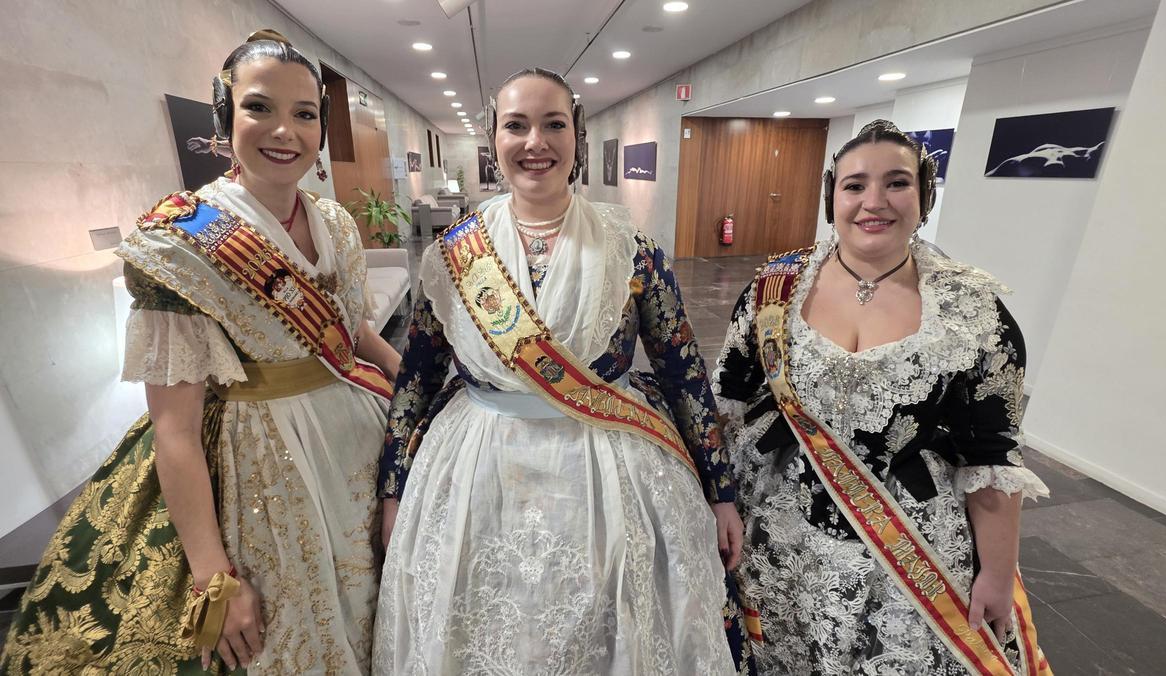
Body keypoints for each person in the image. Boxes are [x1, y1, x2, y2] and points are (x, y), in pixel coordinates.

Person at [1, 30, 398, 674]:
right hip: (261, 459)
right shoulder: (179, 243)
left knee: (377, 599)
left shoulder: (339, 224)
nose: (284, 131)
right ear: (225, 114)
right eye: (259, 107)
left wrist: (417, 389)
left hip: (357, 434)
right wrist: (214, 577)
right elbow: (175, 431)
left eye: (304, 114)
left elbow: (354, 335)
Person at [373, 68, 754, 675]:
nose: (535, 142)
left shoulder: (631, 247)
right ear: (493, 140)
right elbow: (416, 379)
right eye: (516, 125)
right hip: (477, 469)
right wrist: (394, 490)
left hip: (609, 466)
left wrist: (720, 493)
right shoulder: (453, 255)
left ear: (577, 137)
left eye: (554, 125)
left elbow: (683, 372)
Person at [714, 119, 1052, 675]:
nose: (875, 201)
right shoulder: (775, 286)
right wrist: (719, 502)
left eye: (897, 182)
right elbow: (727, 403)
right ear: (831, 198)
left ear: (924, 194)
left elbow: (992, 457)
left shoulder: (971, 310)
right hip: (776, 525)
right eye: (854, 185)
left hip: (905, 539)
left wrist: (996, 571)